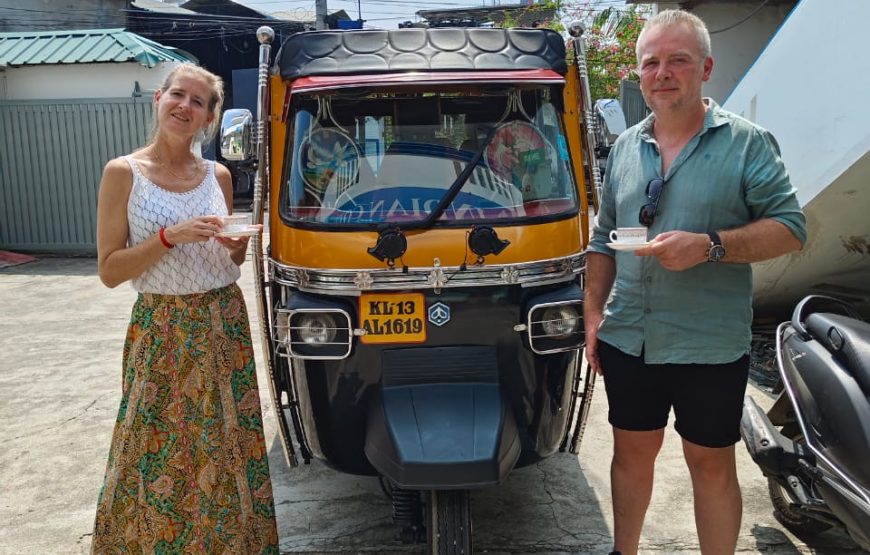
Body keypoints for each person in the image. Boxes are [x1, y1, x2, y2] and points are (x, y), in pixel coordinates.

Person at [583, 10, 807, 555]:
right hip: (629, 334)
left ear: (705, 67)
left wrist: (709, 245)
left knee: (709, 462)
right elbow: (603, 239)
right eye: (651, 63)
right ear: (639, 75)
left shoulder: (747, 144)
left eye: (677, 60)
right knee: (630, 454)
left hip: (708, 342)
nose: (663, 72)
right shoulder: (625, 150)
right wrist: (592, 317)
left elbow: (790, 229)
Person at [91, 63, 278, 554]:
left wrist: (238, 244)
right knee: (153, 447)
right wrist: (169, 237)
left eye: (198, 102)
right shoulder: (123, 173)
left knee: (227, 442)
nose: (185, 106)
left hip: (223, 319)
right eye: (178, 95)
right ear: (158, 98)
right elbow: (110, 270)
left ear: (210, 119)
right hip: (162, 324)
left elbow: (226, 257)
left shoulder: (216, 174)